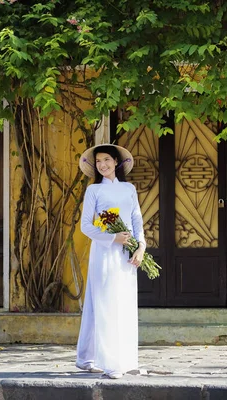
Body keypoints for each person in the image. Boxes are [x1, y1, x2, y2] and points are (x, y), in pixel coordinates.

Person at [75, 144, 146, 379]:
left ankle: (123, 360)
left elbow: (136, 219)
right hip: (105, 253)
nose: (102, 165)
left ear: (116, 161)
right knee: (104, 303)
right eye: (98, 162)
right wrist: (113, 237)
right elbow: (86, 226)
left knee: (123, 304)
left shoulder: (129, 189)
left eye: (106, 159)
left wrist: (141, 248)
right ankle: (110, 364)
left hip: (127, 254)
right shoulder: (94, 191)